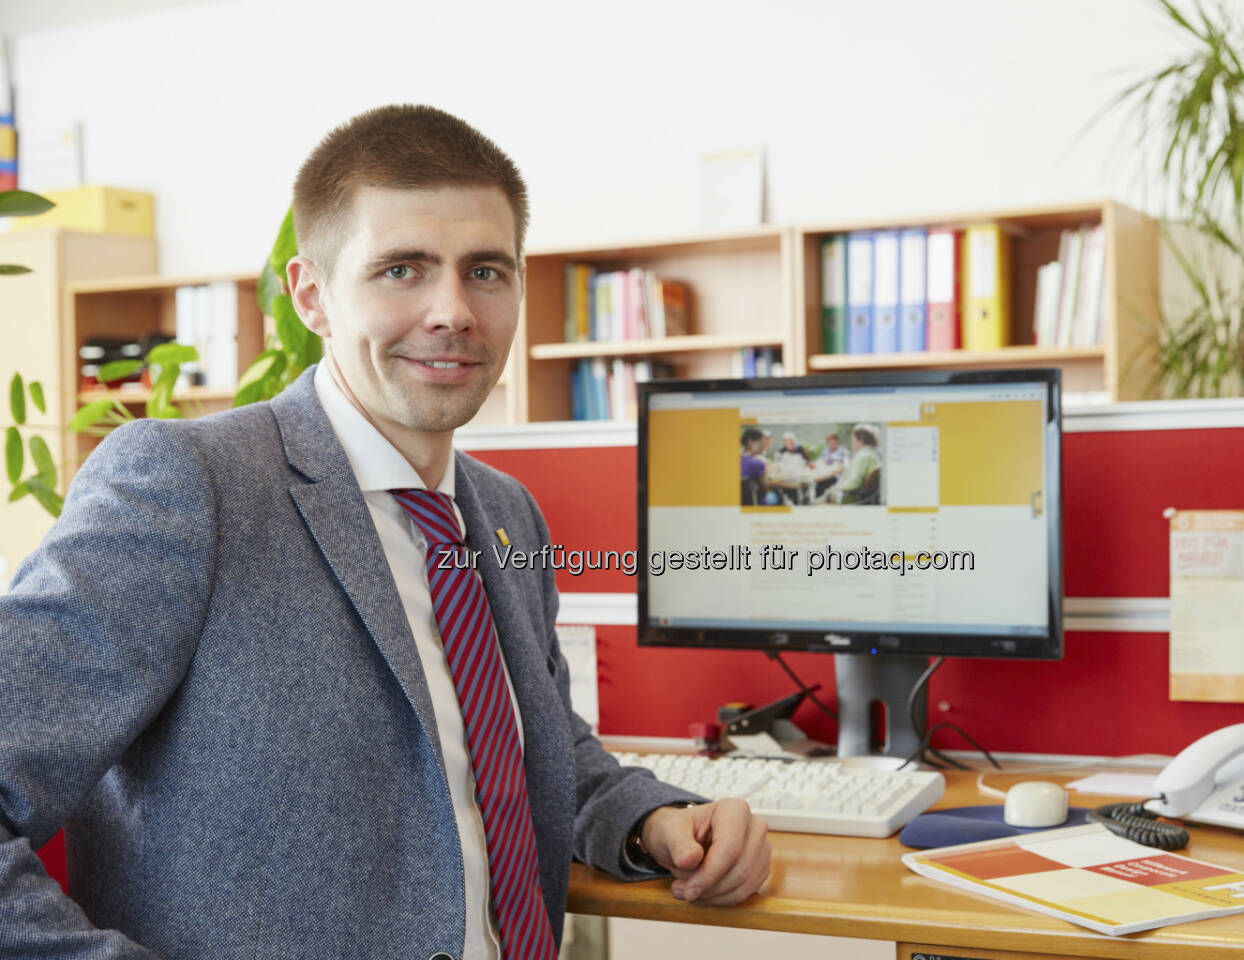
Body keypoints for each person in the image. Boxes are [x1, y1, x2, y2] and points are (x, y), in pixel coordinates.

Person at [0, 104, 769, 960]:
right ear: (313, 295)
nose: (452, 311)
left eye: (485, 270)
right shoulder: (190, 485)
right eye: (402, 269)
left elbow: (529, 752)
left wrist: (655, 819)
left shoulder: (506, 514)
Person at [824, 423, 882, 504]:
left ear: (861, 440)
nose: (853, 443)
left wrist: (836, 488)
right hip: (860, 497)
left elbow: (853, 483)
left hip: (851, 499)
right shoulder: (871, 453)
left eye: (853, 440)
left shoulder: (863, 457)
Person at [813, 431, 849, 499]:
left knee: (822, 483)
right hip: (826, 474)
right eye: (830, 442)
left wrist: (843, 465)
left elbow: (847, 462)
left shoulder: (843, 450)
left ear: (837, 442)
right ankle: (817, 499)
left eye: (834, 442)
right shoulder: (825, 451)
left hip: (838, 476)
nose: (832, 443)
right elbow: (819, 462)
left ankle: (818, 499)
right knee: (819, 483)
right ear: (828, 443)